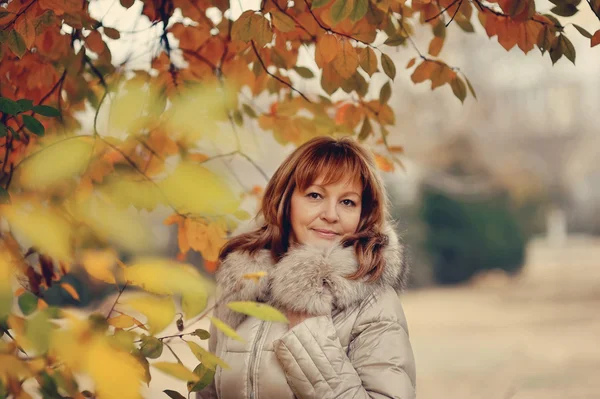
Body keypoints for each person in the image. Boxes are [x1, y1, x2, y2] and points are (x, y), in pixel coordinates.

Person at [198, 136, 416, 399]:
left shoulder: (375, 303)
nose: (331, 214)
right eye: (315, 195)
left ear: (363, 214)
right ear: (286, 200)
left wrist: (308, 335)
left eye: (347, 202)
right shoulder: (241, 285)